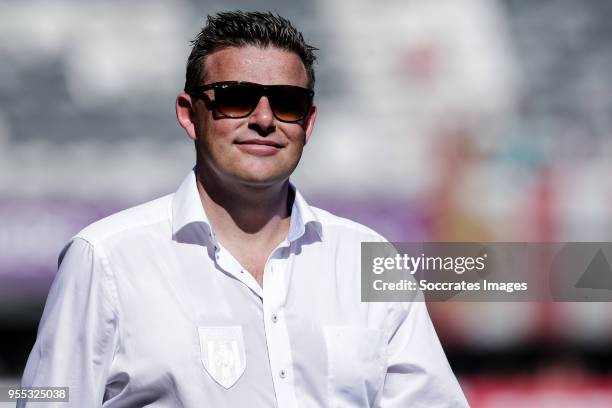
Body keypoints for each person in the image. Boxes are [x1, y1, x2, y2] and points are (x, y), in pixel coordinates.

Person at [19, 11, 468, 407]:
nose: (265, 118)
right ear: (189, 113)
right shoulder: (105, 258)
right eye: (237, 97)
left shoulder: (370, 257)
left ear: (308, 122)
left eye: (287, 103)